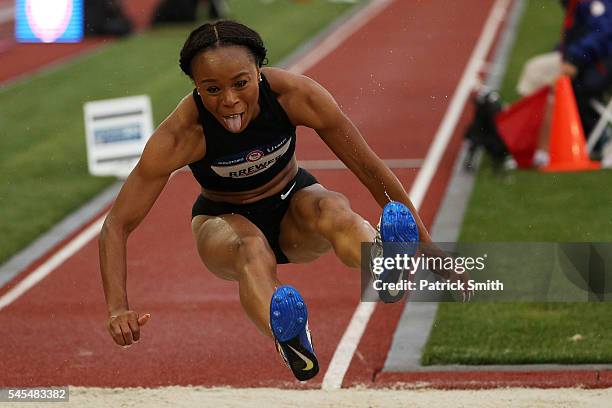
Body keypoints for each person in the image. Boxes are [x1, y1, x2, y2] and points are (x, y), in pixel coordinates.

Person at [99, 20, 448, 382]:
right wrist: (116, 308)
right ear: (195, 87)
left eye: (241, 83)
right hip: (223, 220)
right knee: (251, 247)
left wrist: (429, 248)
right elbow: (116, 224)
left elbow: (369, 168)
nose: (229, 100)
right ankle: (289, 336)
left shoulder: (296, 96)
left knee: (332, 208)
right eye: (212, 89)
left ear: (259, 73)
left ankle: (379, 262)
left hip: (293, 203)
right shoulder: (181, 134)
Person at [516, 0, 612, 164]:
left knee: (566, 85)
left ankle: (554, 144)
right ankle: (534, 143)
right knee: (534, 70)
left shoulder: (596, 3)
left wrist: (574, 59)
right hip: (584, 60)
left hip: (599, 65)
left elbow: (602, 33)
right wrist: (565, 53)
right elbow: (577, 32)